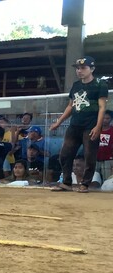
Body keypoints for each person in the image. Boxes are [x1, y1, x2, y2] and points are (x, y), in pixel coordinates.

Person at [50, 56, 109, 193]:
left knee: (89, 155)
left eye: (83, 68)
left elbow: (102, 107)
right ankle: (66, 182)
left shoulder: (100, 84)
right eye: (78, 68)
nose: (79, 71)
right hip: (74, 125)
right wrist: (59, 122)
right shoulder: (76, 85)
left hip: (90, 125)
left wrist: (98, 126)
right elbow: (70, 106)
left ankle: (85, 184)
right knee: (65, 154)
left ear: (92, 69)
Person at [96, 110, 113, 180]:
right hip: (95, 158)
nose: (105, 120)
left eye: (107, 118)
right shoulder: (95, 130)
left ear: (111, 119)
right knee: (94, 178)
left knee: (107, 179)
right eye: (103, 118)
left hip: (108, 160)